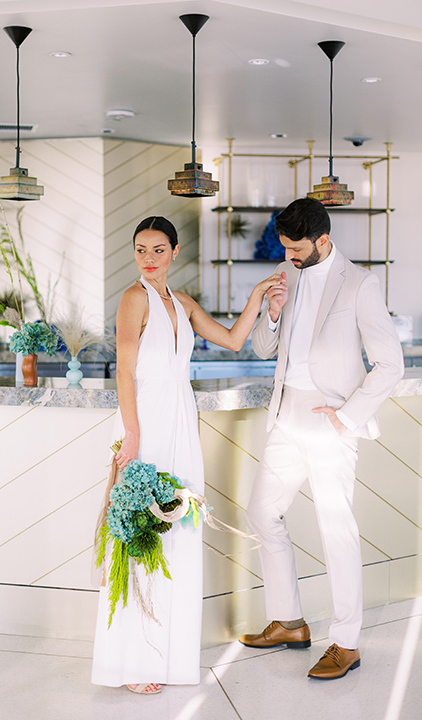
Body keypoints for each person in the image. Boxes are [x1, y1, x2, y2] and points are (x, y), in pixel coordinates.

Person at [92, 215, 280, 694]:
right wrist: (131, 434)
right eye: (140, 249)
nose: (148, 259)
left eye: (158, 250)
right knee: (139, 533)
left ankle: (168, 655)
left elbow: (235, 340)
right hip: (145, 421)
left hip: (180, 418)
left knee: (176, 527)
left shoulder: (183, 302)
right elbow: (125, 372)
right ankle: (133, 661)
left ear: (175, 252)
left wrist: (260, 296)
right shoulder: (133, 298)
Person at [239, 197, 404, 679]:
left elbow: (390, 363)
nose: (287, 256)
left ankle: (346, 643)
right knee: (262, 512)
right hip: (286, 418)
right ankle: (289, 620)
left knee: (337, 531)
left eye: (295, 248)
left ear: (323, 241)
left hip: (330, 424)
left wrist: (347, 417)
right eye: (284, 247)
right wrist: (271, 313)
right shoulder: (285, 272)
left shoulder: (360, 283)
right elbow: (264, 348)